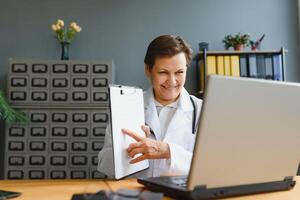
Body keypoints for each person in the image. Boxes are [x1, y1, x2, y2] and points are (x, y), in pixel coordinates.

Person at [98, 35, 202, 177]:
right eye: (163, 72)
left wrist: (168, 151)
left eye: (179, 72)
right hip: (137, 194)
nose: (172, 81)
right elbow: (104, 165)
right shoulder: (126, 108)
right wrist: (125, 147)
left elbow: (214, 165)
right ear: (148, 69)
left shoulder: (203, 110)